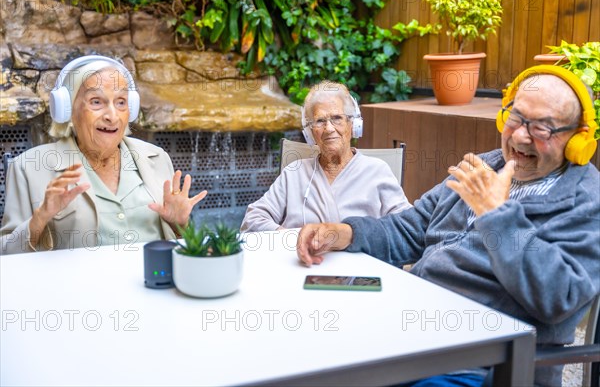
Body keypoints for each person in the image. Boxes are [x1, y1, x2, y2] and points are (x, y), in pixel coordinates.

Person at [296, 66, 600, 387]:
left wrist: (496, 214)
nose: (522, 135)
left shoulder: (586, 202)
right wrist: (344, 233)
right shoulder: (486, 165)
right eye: (516, 118)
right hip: (408, 333)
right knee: (307, 351)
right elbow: (410, 229)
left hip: (483, 365)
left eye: (543, 128)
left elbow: (558, 298)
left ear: (576, 140)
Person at [1, 55, 207, 254]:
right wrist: (39, 220)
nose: (112, 116)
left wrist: (180, 225)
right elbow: (6, 253)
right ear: (67, 109)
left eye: (121, 102)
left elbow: (184, 244)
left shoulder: (157, 157)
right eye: (96, 102)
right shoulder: (28, 167)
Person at [241, 81, 411, 232]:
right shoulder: (294, 172)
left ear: (353, 125)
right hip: (301, 262)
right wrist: (291, 238)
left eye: (337, 118)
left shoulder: (377, 171)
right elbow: (253, 219)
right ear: (309, 132)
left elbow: (407, 225)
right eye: (320, 121)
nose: (329, 128)